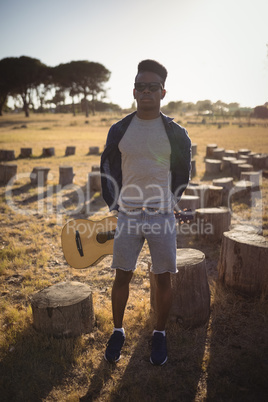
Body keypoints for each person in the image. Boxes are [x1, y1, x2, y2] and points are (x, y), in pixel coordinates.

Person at [100, 59, 191, 365]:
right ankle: (117, 330)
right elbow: (108, 166)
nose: (147, 91)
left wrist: (171, 201)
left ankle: (160, 334)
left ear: (163, 92)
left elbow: (182, 174)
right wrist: (114, 204)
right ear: (134, 91)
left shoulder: (176, 133)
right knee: (121, 276)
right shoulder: (120, 129)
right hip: (127, 215)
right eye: (141, 86)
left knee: (163, 278)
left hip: (162, 217)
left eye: (153, 86)